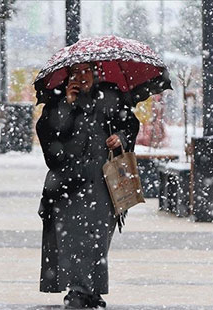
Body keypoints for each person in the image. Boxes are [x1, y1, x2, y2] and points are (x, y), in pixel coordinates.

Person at [36, 62, 140, 308]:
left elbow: (130, 124)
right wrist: (67, 106)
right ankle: (77, 289)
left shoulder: (111, 96)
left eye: (86, 71)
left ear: (95, 73)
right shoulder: (58, 101)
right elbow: (49, 135)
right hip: (68, 183)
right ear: (67, 76)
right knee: (73, 237)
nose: (82, 77)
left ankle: (93, 289)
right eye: (75, 73)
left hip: (104, 180)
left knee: (99, 238)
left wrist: (121, 138)